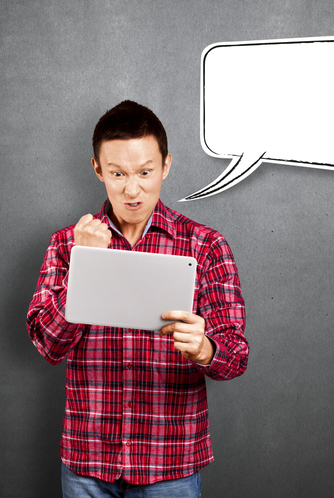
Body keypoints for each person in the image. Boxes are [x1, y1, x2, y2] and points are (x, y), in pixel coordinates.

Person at [27, 100, 249, 497]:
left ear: (165, 165)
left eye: (145, 172)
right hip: (88, 463)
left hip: (170, 463)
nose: (132, 190)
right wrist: (86, 263)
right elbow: (46, 345)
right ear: (98, 170)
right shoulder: (66, 245)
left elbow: (235, 356)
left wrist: (203, 348)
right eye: (117, 173)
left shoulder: (206, 246)